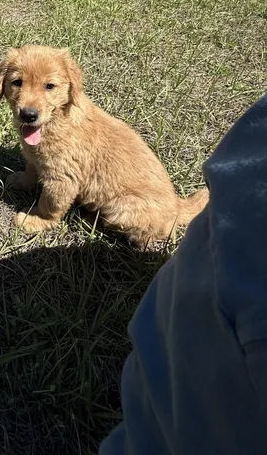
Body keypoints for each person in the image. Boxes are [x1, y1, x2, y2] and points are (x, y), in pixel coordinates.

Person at [101, 93, 267, 454]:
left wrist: (47, 215)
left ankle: (150, 233)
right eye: (17, 83)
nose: (27, 100)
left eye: (49, 85)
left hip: (146, 207)